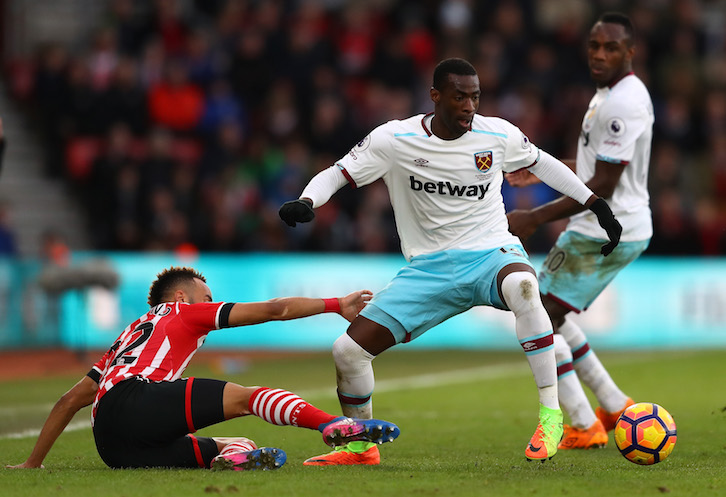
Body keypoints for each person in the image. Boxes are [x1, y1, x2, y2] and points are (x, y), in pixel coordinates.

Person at [279, 57, 622, 465]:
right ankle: (360, 447)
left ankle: (551, 416)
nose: (469, 106)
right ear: (436, 96)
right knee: (347, 352)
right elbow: (338, 172)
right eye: (460, 97)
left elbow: (543, 163)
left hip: (492, 252)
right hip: (429, 269)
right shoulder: (394, 139)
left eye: (475, 97)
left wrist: (594, 203)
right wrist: (307, 200)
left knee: (525, 287)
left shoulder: (497, 134)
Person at [6, 266, 399, 470]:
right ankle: (334, 426)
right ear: (182, 296)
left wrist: (32, 462)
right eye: (206, 297)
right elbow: (275, 309)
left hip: (113, 444)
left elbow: (69, 400)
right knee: (248, 397)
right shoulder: (184, 312)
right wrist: (335, 305)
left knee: (238, 443)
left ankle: (230, 459)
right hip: (139, 400)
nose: (211, 302)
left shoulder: (125, 338)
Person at [505, 12, 653, 450]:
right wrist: (549, 173)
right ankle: (608, 405)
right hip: (610, 224)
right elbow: (597, 169)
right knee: (551, 313)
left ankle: (584, 423)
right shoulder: (611, 95)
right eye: (594, 46)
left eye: (611, 47)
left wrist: (533, 217)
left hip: (604, 230)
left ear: (631, 52)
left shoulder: (621, 103)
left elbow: (603, 186)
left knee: (538, 317)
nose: (600, 54)